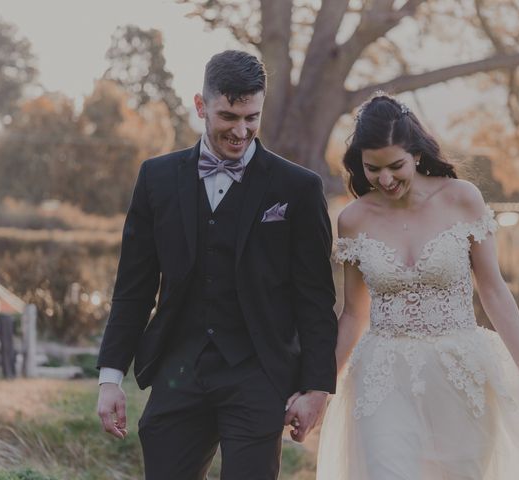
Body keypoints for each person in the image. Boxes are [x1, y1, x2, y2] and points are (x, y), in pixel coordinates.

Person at [316, 93, 519, 479]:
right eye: (372, 168)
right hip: (383, 378)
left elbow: (493, 289)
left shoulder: (462, 199)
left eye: (395, 166)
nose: (385, 180)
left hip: (459, 372)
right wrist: (321, 385)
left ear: (416, 154)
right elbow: (353, 314)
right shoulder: (353, 220)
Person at [96, 50, 338, 480]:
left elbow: (315, 297)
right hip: (178, 370)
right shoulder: (156, 178)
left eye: (252, 117)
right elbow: (133, 288)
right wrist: (110, 378)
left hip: (258, 373)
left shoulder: (298, 188)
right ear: (201, 106)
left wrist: (317, 387)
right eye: (228, 116)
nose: (241, 131)